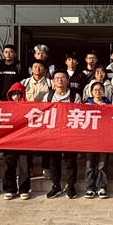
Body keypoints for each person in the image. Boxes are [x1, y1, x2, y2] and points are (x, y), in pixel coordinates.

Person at [44, 70, 81, 199]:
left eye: (63, 78)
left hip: (70, 134)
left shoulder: (75, 96)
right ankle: (56, 186)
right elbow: (44, 113)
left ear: (68, 80)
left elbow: (78, 113)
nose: (60, 80)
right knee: (54, 162)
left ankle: (71, 186)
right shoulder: (48, 96)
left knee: (70, 162)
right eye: (57, 78)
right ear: (53, 81)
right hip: (53, 134)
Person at [21, 58, 53, 179]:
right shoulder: (24, 82)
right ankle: (29, 168)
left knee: (46, 144)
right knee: (28, 144)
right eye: (35, 67)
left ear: (45, 70)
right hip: (28, 118)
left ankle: (46, 168)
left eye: (40, 67)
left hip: (45, 118)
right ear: (31, 69)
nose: (37, 69)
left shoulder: (50, 83)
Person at [3, 82, 33, 200]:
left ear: (23, 94)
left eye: (18, 94)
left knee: (24, 166)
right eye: (13, 94)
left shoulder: (29, 107)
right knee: (9, 165)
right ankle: (9, 189)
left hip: (24, 141)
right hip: (9, 141)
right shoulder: (5, 107)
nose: (16, 96)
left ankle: (24, 189)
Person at [84, 81, 112, 199]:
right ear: (91, 92)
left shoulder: (109, 104)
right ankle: (90, 187)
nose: (98, 92)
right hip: (89, 138)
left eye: (100, 90)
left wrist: (107, 109)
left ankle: (102, 187)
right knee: (89, 164)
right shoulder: (85, 104)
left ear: (103, 91)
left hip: (104, 138)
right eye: (95, 90)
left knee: (102, 164)